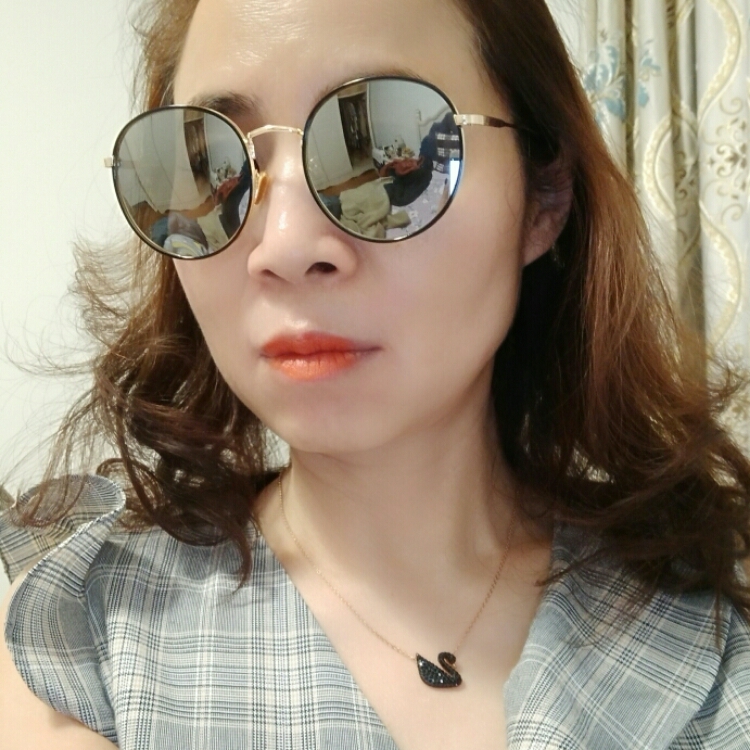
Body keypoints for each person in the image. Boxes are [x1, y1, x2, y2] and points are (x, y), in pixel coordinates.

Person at [1, 0, 750, 747]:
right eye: (209, 165)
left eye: (388, 151)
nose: (285, 246)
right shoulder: (83, 639)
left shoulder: (709, 626)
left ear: (542, 199)